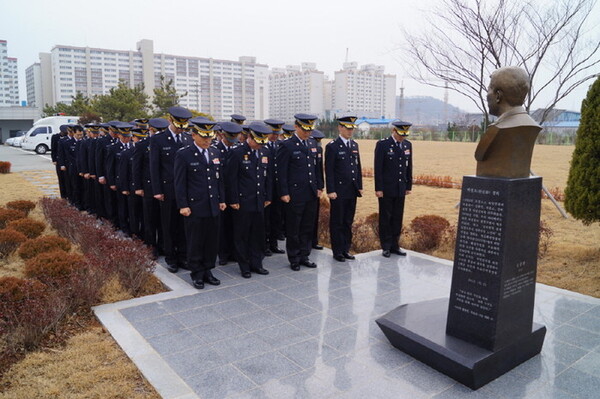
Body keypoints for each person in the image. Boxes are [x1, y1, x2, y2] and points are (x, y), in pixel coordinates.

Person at [174, 117, 225, 289]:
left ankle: (208, 270)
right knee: (196, 241)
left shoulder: (215, 153)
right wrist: (183, 205)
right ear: (193, 135)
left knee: (211, 240)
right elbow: (179, 182)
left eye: (209, 137)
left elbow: (219, 180)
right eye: (203, 137)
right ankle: (196, 273)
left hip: (213, 205)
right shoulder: (184, 154)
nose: (207, 140)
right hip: (194, 207)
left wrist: (222, 200)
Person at [276, 113, 324, 271]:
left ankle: (305, 255)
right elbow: (281, 171)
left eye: (310, 129)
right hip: (294, 194)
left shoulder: (313, 144)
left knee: (307, 227)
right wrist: (284, 192)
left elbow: (317, 169)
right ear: (296, 126)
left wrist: (319, 187)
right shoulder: (287, 145)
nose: (308, 132)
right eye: (304, 129)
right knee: (294, 228)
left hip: (310, 193)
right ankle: (294, 258)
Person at [475, 66, 542, 178]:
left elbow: (479, 156)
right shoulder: (531, 124)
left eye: (488, 90)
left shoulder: (497, 128)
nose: (486, 95)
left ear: (498, 96)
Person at [226, 121, 272, 278]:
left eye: (262, 142)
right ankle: (244, 265)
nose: (260, 145)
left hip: (259, 200)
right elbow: (231, 179)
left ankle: (257, 263)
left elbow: (268, 177)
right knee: (242, 234)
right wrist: (233, 199)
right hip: (243, 201)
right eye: (258, 141)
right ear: (250, 137)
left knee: (258, 234)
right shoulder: (237, 152)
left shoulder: (264, 152)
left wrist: (268, 196)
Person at [150, 106, 193, 272]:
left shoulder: (188, 139)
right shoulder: (158, 139)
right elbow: (155, 167)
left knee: (183, 224)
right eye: (178, 125)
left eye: (183, 125)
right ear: (170, 120)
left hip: (186, 190)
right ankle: (171, 258)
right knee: (168, 225)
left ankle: (183, 256)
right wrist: (157, 190)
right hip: (167, 189)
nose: (181, 128)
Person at [325, 115, 363, 262]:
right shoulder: (332, 146)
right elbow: (329, 170)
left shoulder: (354, 145)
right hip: (338, 191)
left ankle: (346, 249)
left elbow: (357, 167)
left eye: (352, 128)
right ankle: (337, 251)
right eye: (347, 128)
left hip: (352, 190)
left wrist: (359, 186)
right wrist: (331, 190)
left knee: (348, 221)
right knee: (337, 221)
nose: (350, 131)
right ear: (340, 128)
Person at [374, 120, 413, 258]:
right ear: (393, 131)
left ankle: (395, 245)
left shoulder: (407, 145)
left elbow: (409, 167)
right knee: (386, 217)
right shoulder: (383, 145)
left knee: (397, 217)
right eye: (400, 134)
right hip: (386, 188)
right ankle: (385, 246)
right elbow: (378, 168)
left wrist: (408, 185)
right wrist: (379, 188)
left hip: (400, 188)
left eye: (405, 134)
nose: (403, 137)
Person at [133, 118, 167, 255]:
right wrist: (138, 187)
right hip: (148, 187)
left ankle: (163, 246)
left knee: (163, 220)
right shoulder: (142, 145)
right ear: (150, 130)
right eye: (156, 130)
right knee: (149, 219)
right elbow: (137, 168)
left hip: (164, 187)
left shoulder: (167, 144)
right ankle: (151, 247)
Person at [214, 121, 242, 265]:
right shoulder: (216, 150)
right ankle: (223, 254)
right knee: (223, 226)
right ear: (222, 135)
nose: (232, 140)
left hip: (236, 193)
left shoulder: (239, 150)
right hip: (222, 193)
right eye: (230, 136)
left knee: (236, 225)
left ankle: (234, 252)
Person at [263, 119, 286, 256]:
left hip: (277, 188)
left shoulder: (280, 145)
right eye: (272, 133)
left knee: (277, 217)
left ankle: (273, 243)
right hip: (266, 188)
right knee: (266, 218)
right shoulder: (262, 146)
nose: (275, 136)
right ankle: (264, 245)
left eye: (277, 133)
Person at [311, 128, 325, 250]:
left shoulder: (319, 150)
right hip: (305, 188)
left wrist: (321, 186)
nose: (318, 143)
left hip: (316, 188)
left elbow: (320, 170)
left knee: (314, 216)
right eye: (316, 140)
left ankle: (313, 241)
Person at [51, 125, 68, 199]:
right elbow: (53, 149)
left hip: (66, 159)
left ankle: (68, 193)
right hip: (58, 159)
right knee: (61, 178)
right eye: (64, 132)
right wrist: (54, 159)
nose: (65, 133)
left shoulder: (68, 137)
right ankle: (63, 195)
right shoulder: (55, 137)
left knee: (67, 178)